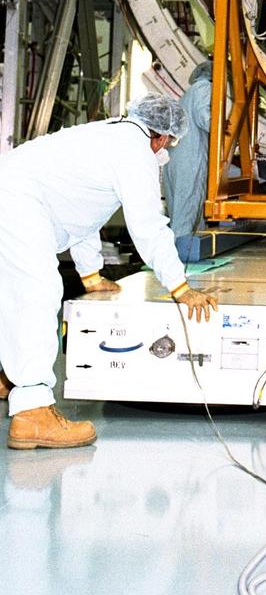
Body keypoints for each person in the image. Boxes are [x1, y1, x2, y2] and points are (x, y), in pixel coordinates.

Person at [0, 95, 219, 450]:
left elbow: (84, 213)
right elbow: (148, 225)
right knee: (36, 294)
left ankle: (10, 376)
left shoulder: (107, 135)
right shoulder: (134, 154)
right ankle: (33, 413)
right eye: (170, 145)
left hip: (11, 189)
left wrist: (91, 277)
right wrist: (180, 287)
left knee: (9, 294)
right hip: (17, 200)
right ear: (161, 137)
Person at [163, 60, 213, 261]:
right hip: (191, 156)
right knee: (188, 205)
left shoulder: (190, 91)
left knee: (178, 208)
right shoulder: (205, 87)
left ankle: (172, 254)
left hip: (176, 157)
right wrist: (228, 129)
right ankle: (180, 258)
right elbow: (205, 118)